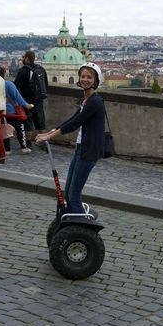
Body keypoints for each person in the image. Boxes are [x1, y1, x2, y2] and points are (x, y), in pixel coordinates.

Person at [35, 62, 105, 214]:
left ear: (96, 80)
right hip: (80, 149)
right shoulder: (86, 100)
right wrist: (48, 134)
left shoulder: (95, 102)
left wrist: (49, 137)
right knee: (67, 192)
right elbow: (70, 120)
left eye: (89, 77)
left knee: (73, 196)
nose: (85, 79)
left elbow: (74, 124)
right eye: (83, 76)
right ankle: (73, 227)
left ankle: (82, 231)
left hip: (88, 152)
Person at [0, 66, 33, 155]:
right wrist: (26, 105)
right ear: (4, 74)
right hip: (13, 111)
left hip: (1, 111)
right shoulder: (8, 84)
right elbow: (17, 96)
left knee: (4, 130)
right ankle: (24, 147)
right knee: (20, 129)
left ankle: (7, 149)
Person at [14, 50, 48, 147]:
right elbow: (45, 84)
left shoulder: (23, 71)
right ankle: (43, 142)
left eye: (23, 57)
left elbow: (16, 86)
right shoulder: (41, 69)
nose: (22, 59)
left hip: (27, 100)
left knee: (28, 123)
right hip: (39, 100)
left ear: (27, 59)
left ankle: (28, 143)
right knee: (40, 122)